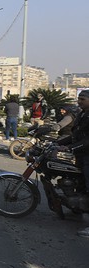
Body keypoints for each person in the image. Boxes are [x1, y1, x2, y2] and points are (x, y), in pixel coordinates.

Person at [55, 90, 89, 237]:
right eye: (78, 99)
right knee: (80, 184)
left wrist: (70, 147)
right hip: (81, 155)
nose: (79, 101)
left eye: (82, 99)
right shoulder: (82, 114)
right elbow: (76, 136)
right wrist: (57, 142)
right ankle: (79, 209)